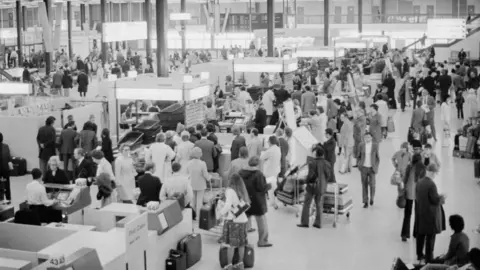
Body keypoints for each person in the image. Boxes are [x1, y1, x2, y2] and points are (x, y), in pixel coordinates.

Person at [219, 173, 250, 270]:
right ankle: (240, 264)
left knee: (231, 245)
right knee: (241, 244)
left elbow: (228, 206)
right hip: (243, 220)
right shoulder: (242, 190)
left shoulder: (230, 191)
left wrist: (220, 213)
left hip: (233, 221)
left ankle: (229, 265)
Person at [239, 156, 272, 247]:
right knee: (261, 222)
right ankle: (262, 241)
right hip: (257, 202)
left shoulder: (241, 172)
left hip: (245, 200)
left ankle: (242, 240)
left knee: (243, 221)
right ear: (257, 164)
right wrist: (269, 185)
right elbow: (261, 188)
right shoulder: (259, 174)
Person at [416, 163, 446, 263]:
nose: (435, 175)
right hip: (430, 215)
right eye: (435, 173)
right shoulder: (431, 185)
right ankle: (429, 258)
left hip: (421, 212)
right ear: (432, 172)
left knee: (420, 235)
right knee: (430, 237)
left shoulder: (419, 182)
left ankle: (419, 255)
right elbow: (435, 200)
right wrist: (442, 198)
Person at [297, 146, 332, 229]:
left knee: (307, 204)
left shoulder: (312, 163)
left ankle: (305, 222)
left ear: (316, 154)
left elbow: (310, 176)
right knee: (319, 205)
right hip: (322, 187)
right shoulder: (327, 163)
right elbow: (328, 176)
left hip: (312, 187)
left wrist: (306, 181)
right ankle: (318, 223)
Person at [401, 153, 425, 242]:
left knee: (407, 214)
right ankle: (417, 233)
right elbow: (423, 181)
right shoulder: (422, 167)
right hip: (419, 193)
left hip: (409, 192)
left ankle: (404, 234)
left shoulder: (409, 166)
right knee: (418, 214)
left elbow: (405, 179)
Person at [356, 132, 380, 208]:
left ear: (371, 138)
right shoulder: (361, 145)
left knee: (372, 185)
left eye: (368, 137)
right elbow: (358, 156)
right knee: (364, 185)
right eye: (365, 137)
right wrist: (359, 165)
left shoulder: (375, 145)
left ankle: (372, 198)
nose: (367, 139)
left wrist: (376, 166)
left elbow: (377, 157)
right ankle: (365, 201)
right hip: (363, 168)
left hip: (372, 168)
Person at [186, 147, 211, 216]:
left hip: (191, 184)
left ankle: (192, 216)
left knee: (192, 201)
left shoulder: (188, 163)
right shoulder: (202, 163)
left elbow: (186, 174)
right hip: (200, 184)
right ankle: (198, 217)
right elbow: (205, 175)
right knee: (199, 201)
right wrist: (209, 178)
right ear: (200, 154)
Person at [260, 136, 281, 207]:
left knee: (270, 188)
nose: (268, 143)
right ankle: (275, 200)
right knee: (274, 186)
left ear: (270, 142)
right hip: (276, 170)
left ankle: (272, 203)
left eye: (268, 142)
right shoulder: (278, 148)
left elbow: (261, 157)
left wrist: (266, 158)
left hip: (269, 171)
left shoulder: (270, 150)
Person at [0, 133, 13, 203]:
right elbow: (9, 157)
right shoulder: (6, 146)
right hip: (5, 169)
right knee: (7, 185)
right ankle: (8, 199)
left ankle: (1, 199)